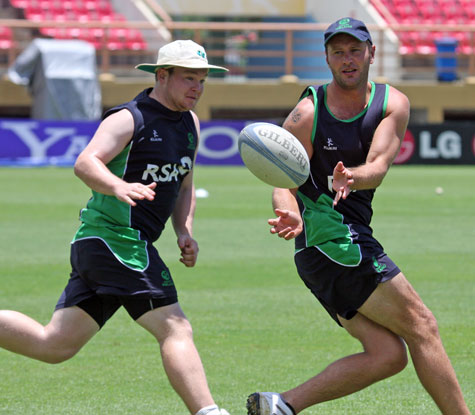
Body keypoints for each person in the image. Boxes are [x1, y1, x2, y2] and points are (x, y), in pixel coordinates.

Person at [246, 17, 470, 415]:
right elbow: (282, 179)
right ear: (327, 59)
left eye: (354, 50)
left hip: (335, 245)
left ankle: (279, 406)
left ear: (371, 52)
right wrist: (287, 210)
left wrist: (353, 176)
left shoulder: (392, 103)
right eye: (338, 52)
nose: (347, 59)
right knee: (423, 325)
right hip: (331, 241)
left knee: (388, 354)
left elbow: (379, 165)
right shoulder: (307, 111)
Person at [0, 39, 230, 415]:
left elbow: (184, 183)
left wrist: (184, 231)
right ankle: (209, 411)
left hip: (110, 245)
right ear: (162, 75)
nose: (197, 88)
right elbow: (85, 162)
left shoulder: (190, 122)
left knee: (54, 345)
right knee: (175, 328)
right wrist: (118, 185)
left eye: (202, 80)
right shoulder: (129, 117)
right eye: (189, 79)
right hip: (114, 240)